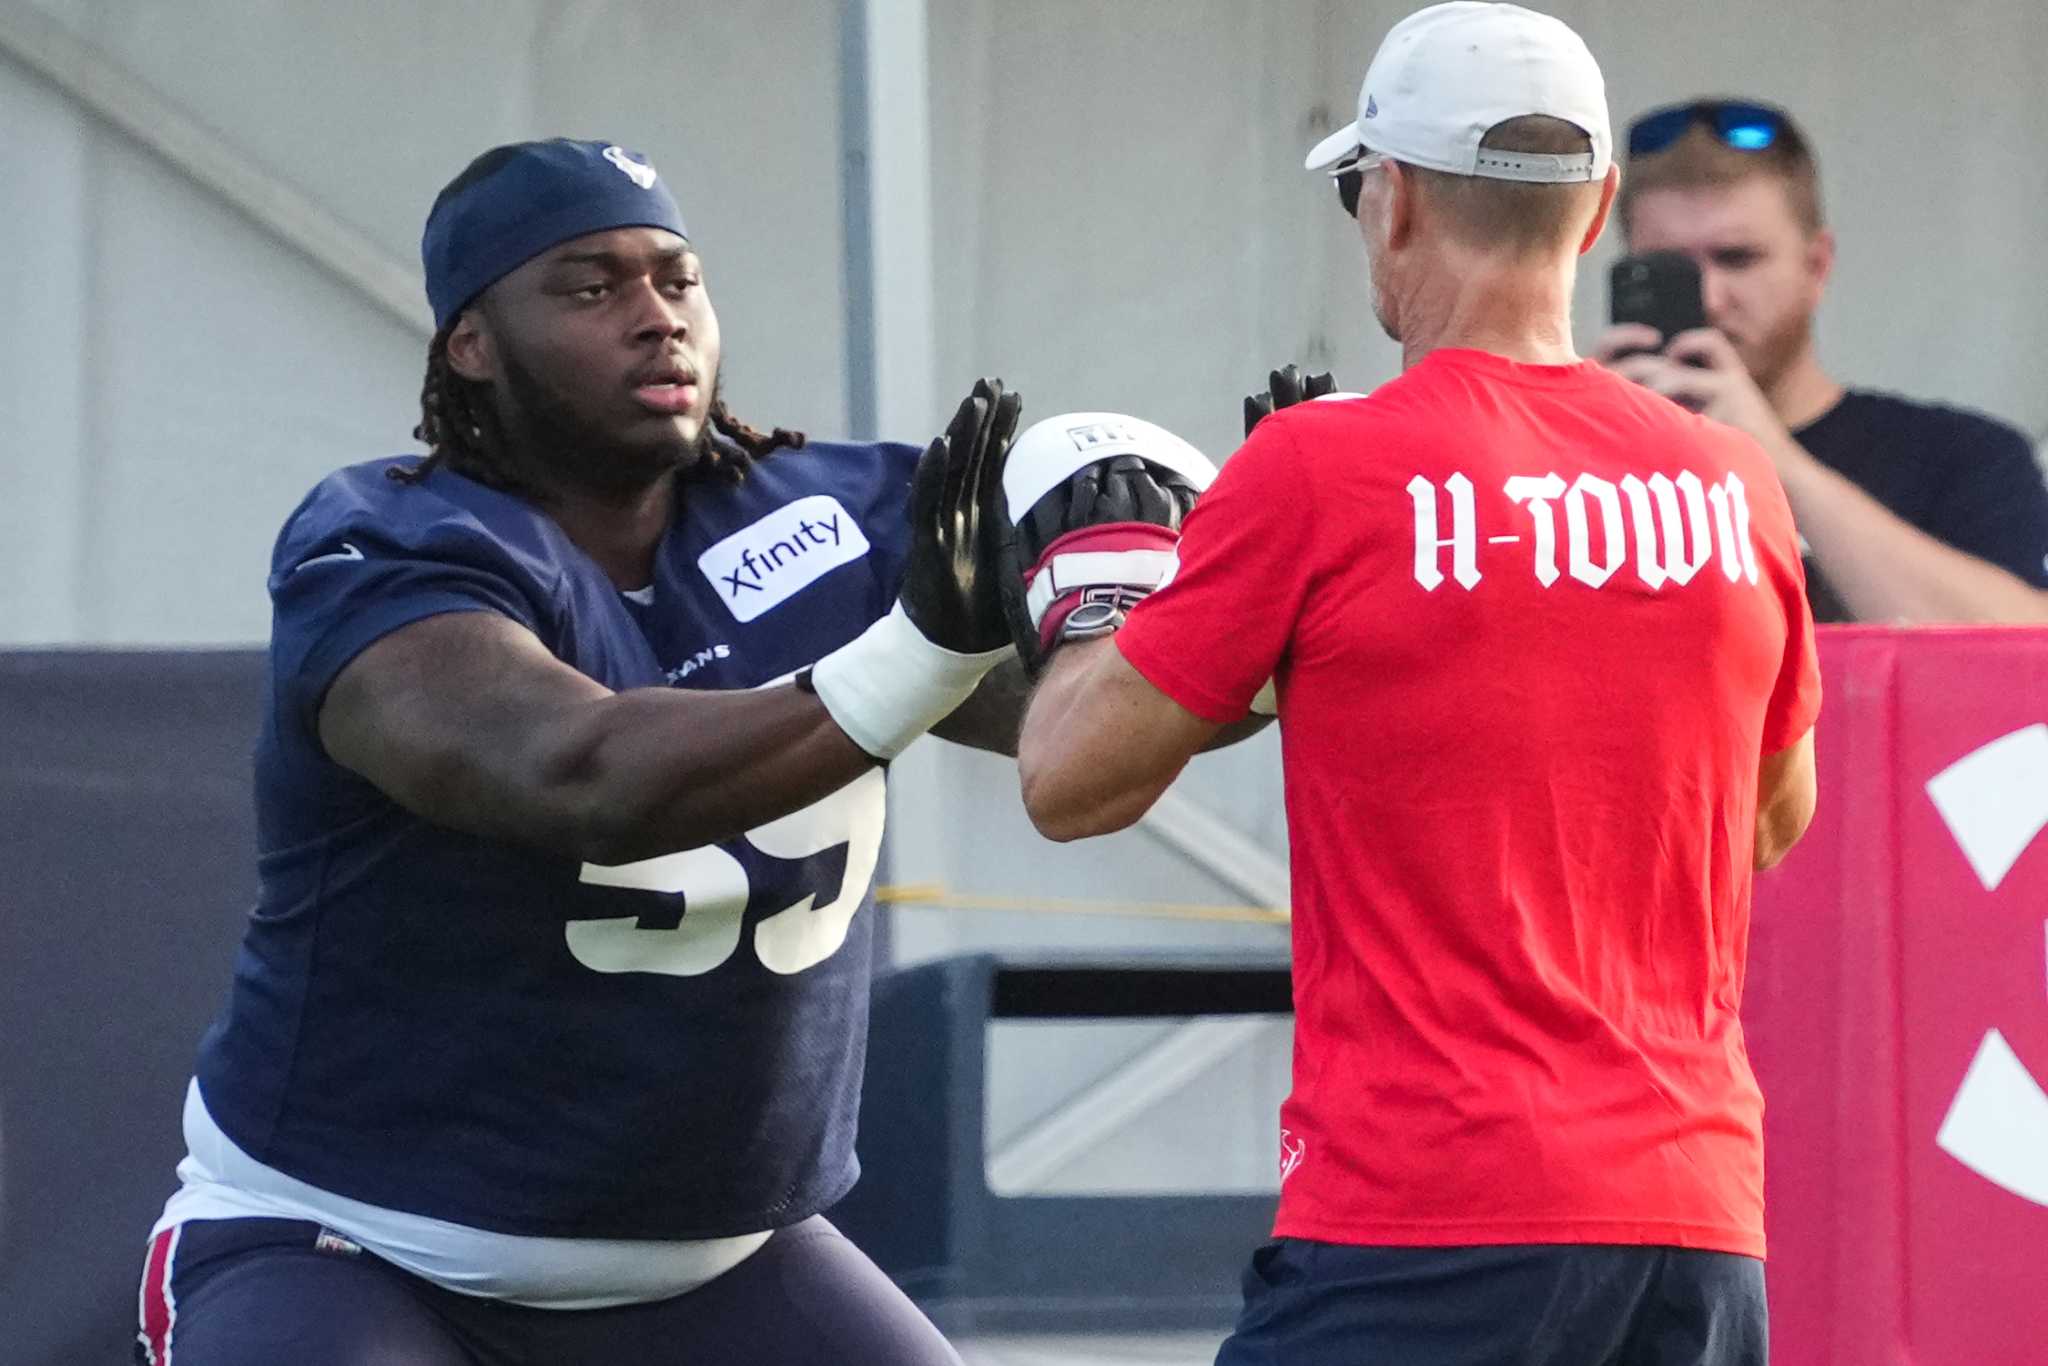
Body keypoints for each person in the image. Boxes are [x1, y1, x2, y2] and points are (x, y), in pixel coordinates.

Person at [1007, 5, 1820, 1364]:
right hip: (1693, 1229)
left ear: (1390, 203)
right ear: (1602, 205)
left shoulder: (1322, 470)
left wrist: (1103, 600)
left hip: (1423, 1221)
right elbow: (1766, 823)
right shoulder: (1734, 482)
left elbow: (1068, 782)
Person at [133, 137, 1029, 1366]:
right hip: (361, 1245)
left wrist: (1235, 590)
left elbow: (1078, 728)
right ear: (473, 343)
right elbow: (576, 775)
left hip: (722, 1262)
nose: (656, 319)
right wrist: (925, 652)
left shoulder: (833, 514)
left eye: (676, 278)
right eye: (590, 287)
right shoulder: (388, 542)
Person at [1595, 98, 2048, 623]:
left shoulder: (1961, 458)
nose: (1712, 298)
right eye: (1670, 269)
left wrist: (1775, 460)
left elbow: (2023, 657)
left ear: (1817, 265)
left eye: (1737, 258)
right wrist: (1564, 441)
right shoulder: (1580, 468)